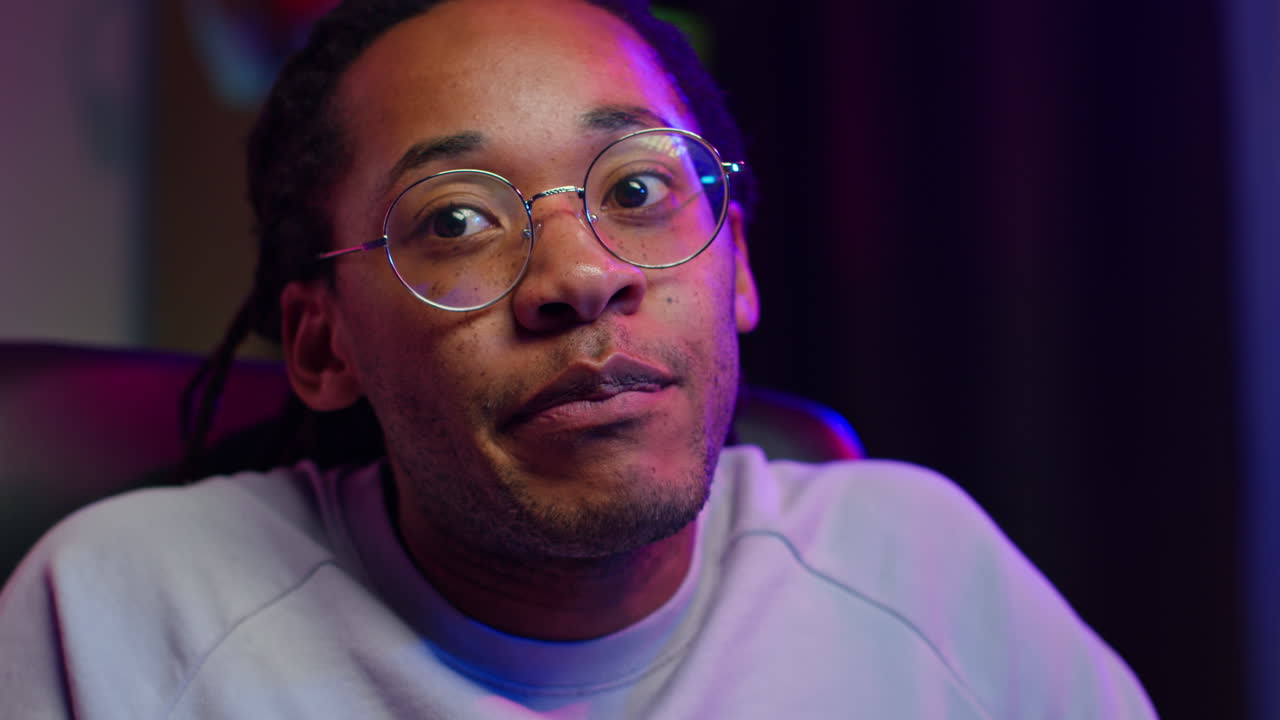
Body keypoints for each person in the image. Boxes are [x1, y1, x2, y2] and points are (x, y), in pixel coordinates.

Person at [0, 0, 1157, 717]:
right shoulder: (123, 615)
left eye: (640, 190)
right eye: (456, 219)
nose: (579, 275)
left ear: (736, 266)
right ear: (321, 341)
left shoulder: (923, 577)